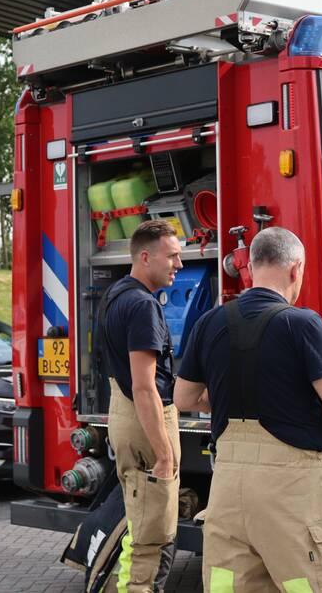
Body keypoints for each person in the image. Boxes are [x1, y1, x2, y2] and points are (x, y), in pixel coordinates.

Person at [174, 226, 322, 592]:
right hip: (289, 488)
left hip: (227, 485)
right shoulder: (301, 323)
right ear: (296, 269)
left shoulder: (210, 322)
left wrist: (231, 398)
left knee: (231, 584)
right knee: (317, 584)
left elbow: (184, 399)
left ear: (252, 267)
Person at [95, 220, 183, 593]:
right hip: (146, 420)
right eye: (172, 256)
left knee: (139, 527)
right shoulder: (143, 306)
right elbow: (145, 387)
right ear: (145, 257)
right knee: (155, 536)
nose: (178, 264)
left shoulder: (116, 295)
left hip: (125, 414)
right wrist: (164, 455)